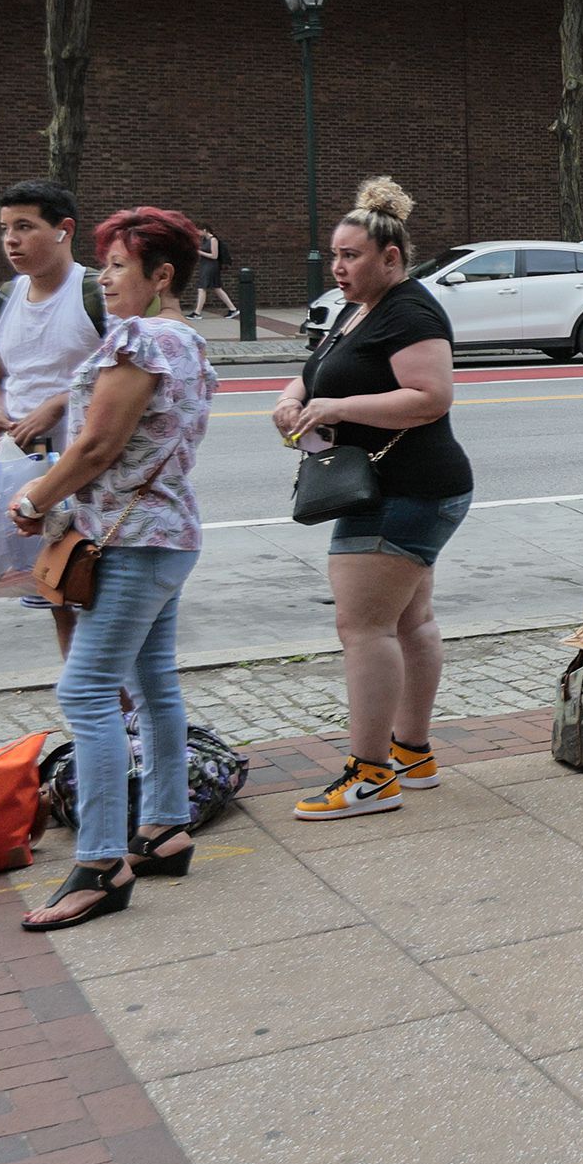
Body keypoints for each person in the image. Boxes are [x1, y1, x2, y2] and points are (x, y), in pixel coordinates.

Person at [6, 206, 216, 929]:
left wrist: (35, 496)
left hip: (131, 542)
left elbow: (97, 448)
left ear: (161, 275)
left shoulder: (140, 337)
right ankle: (162, 827)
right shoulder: (187, 340)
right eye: (104, 265)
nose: (105, 278)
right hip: (169, 534)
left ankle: (101, 863)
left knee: (87, 689)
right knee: (153, 684)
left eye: (119, 266)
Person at [272, 178, 472, 821]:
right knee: (409, 622)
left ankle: (371, 775)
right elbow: (318, 370)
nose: (338, 266)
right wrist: (293, 398)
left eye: (352, 255)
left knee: (363, 627)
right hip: (399, 484)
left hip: (403, 486)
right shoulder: (354, 309)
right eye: (335, 254)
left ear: (391, 257)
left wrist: (338, 406)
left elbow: (432, 396)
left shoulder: (411, 311)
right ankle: (410, 754)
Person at [0, 179, 106, 652]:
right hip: (26, 475)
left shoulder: (97, 294)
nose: (11, 239)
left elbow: (125, 381)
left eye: (25, 227)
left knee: (97, 601)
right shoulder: (4, 300)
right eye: (5, 228)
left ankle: (120, 713)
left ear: (63, 230)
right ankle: (94, 716)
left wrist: (57, 404)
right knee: (58, 600)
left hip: (90, 473)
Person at [187, 225, 239, 321]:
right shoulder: (205, 241)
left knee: (202, 288)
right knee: (217, 288)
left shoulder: (213, 240)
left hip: (211, 266)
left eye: (199, 231)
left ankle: (197, 313)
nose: (198, 233)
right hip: (205, 265)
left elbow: (214, 256)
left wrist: (199, 252)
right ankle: (233, 309)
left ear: (205, 230)